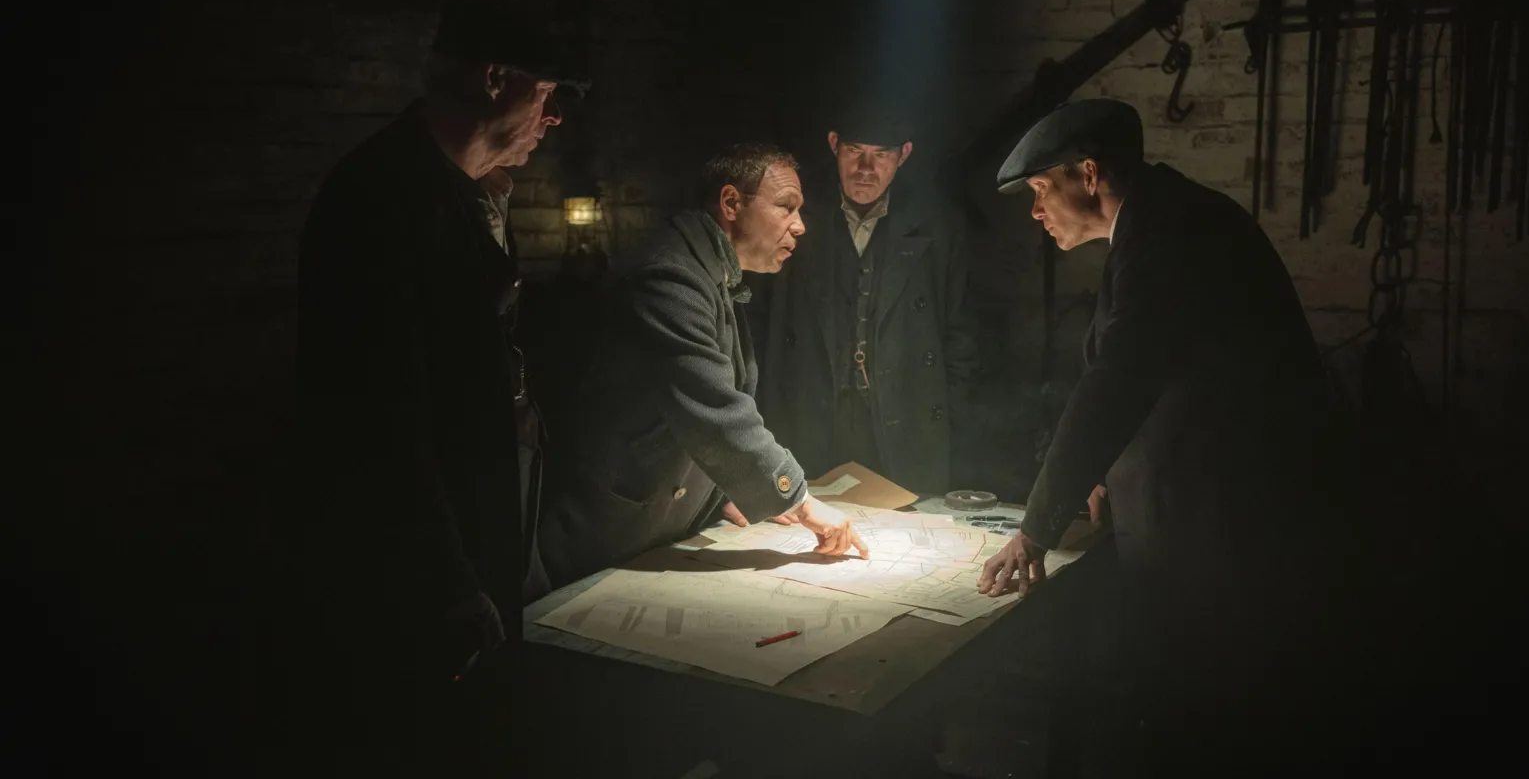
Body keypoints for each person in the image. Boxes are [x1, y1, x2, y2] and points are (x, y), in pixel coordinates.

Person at [976, 100, 1337, 770]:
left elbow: (1121, 376)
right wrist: (1100, 472)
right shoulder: (1160, 220)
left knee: (1216, 720)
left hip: (1231, 531)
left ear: (1087, 174)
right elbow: (1161, 368)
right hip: (1213, 514)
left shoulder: (1170, 232)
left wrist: (1035, 528)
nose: (1035, 212)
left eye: (1038, 190)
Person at [288, 0, 585, 764]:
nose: (552, 118)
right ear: (495, 79)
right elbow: (378, 416)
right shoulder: (383, 199)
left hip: (481, 532)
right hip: (421, 565)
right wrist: (448, 579)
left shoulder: (465, 189)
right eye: (545, 92)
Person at [536, 143, 869, 591]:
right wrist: (801, 498)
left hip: (656, 527)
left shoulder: (708, 271)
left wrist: (718, 494)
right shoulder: (670, 278)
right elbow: (713, 409)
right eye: (786, 207)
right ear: (732, 203)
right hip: (608, 536)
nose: (800, 225)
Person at [751, 102, 978, 496]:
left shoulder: (940, 226)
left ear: (904, 155)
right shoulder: (796, 221)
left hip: (903, 424)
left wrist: (945, 421)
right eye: (855, 152)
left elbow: (960, 335)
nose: (866, 169)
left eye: (882, 155)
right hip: (814, 418)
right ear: (834, 145)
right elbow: (761, 325)